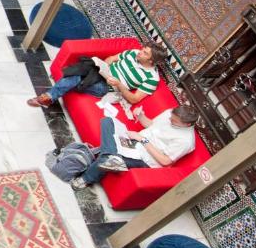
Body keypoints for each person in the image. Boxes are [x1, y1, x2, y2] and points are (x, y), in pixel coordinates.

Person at [70, 104, 198, 189]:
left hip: (145, 159)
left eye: (174, 121)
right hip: (134, 141)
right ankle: (111, 156)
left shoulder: (186, 141)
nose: (170, 120)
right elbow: (151, 125)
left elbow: (165, 161)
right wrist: (140, 115)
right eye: (171, 117)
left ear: (187, 124)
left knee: (108, 156)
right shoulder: (170, 113)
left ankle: (86, 178)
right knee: (107, 121)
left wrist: (143, 140)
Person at [27, 45, 164, 108]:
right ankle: (49, 97)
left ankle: (49, 97)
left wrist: (119, 84)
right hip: (99, 72)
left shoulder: (152, 79)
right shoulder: (133, 53)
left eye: (145, 53)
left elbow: (134, 99)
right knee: (85, 66)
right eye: (143, 49)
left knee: (77, 77)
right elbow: (111, 58)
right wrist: (103, 66)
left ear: (151, 61)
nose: (140, 52)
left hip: (108, 87)